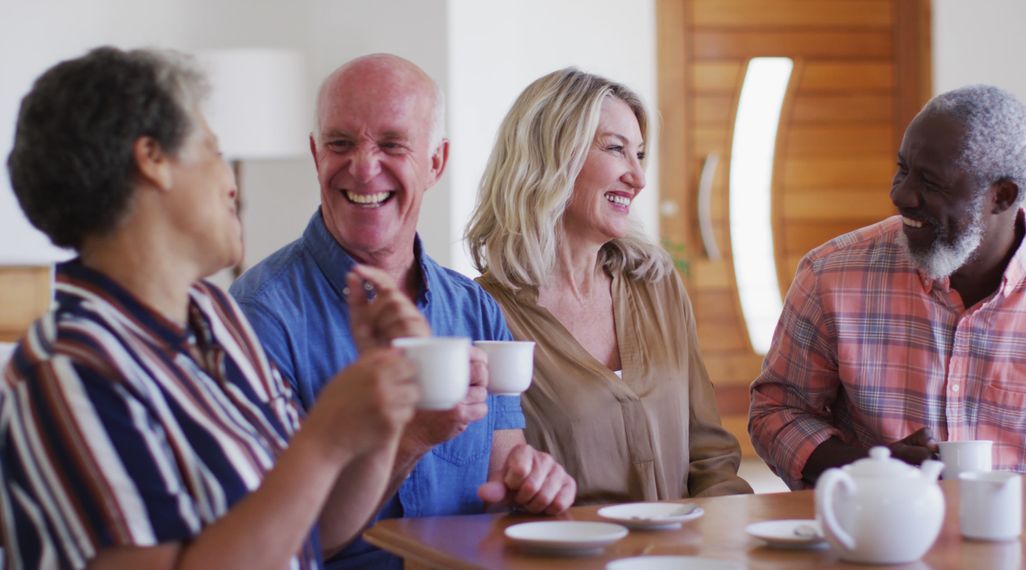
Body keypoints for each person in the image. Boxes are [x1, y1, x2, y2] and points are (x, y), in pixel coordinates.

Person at [1, 47, 427, 569]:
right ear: (153, 159)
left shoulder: (215, 315)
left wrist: (379, 405)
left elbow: (314, 530)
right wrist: (325, 439)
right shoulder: (69, 371)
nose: (231, 183)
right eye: (213, 150)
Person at [230, 54, 575, 568]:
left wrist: (534, 483)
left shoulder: (475, 309)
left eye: (392, 144)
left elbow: (502, 478)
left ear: (436, 162)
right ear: (315, 154)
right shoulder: (258, 316)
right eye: (340, 143)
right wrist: (411, 438)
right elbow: (274, 542)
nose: (364, 167)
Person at [748, 84, 1026, 489]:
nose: (900, 194)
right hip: (874, 537)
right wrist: (867, 465)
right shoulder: (830, 274)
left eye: (931, 182)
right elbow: (777, 411)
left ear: (1001, 197)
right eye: (903, 169)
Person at [464, 68, 752, 503]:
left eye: (639, 154)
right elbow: (487, 489)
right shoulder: (484, 313)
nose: (638, 178)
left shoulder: (657, 285)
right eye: (616, 150)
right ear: (551, 157)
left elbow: (710, 456)